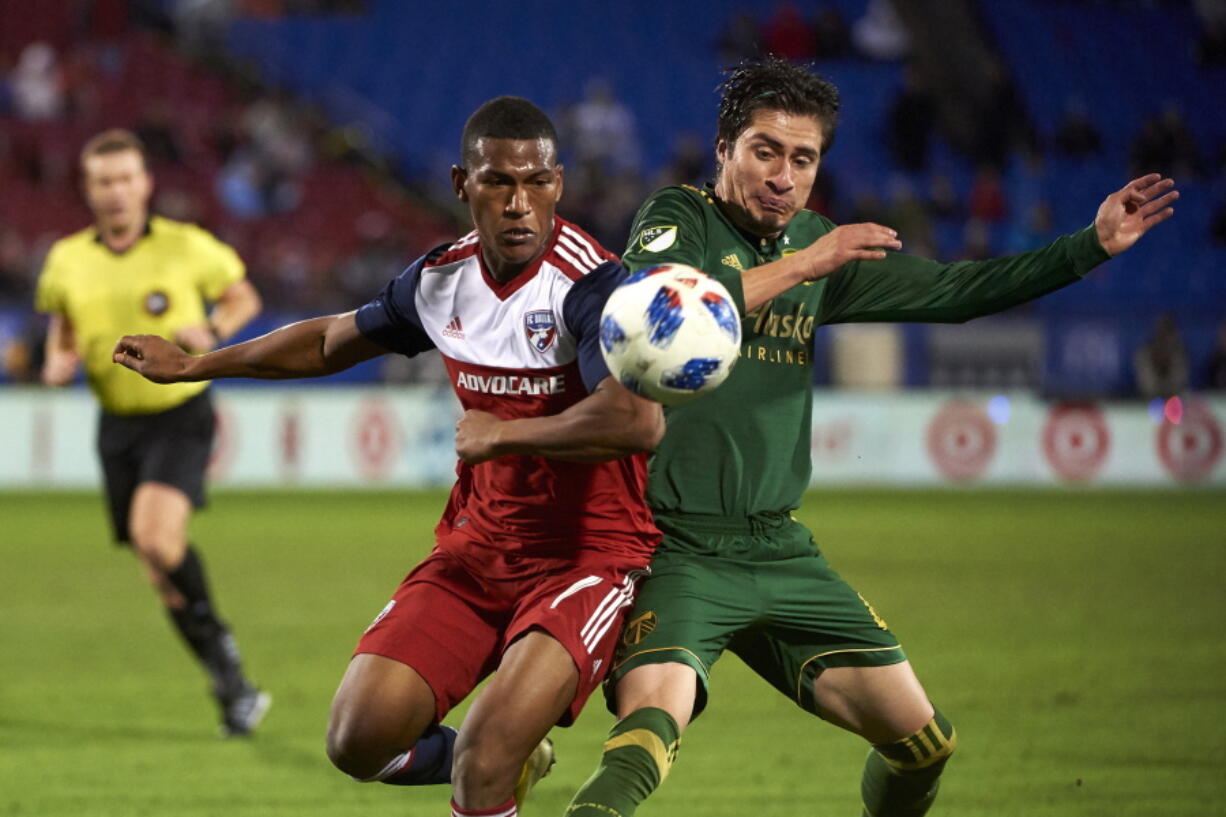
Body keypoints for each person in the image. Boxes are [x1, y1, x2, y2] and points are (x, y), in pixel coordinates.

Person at [566, 56, 1178, 817]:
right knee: (651, 728)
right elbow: (664, 305)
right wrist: (807, 263)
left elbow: (957, 293)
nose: (783, 176)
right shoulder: (680, 218)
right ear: (724, 149)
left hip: (780, 548)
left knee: (925, 743)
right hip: (677, 545)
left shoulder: (819, 244)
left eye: (803, 159)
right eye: (764, 150)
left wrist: (1087, 245)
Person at [112, 96, 664, 817]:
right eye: (498, 182)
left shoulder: (593, 285)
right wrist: (195, 365)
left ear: (559, 183)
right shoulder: (441, 280)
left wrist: (507, 433)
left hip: (587, 555)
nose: (519, 203)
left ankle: (498, 764)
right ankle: (515, 759)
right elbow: (328, 340)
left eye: (536, 182)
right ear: (462, 184)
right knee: (357, 738)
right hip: (480, 549)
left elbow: (634, 417)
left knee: (483, 757)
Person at [34, 128, 266, 735]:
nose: (116, 192)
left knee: (156, 538)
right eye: (103, 181)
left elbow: (244, 297)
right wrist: (58, 357)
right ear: (88, 189)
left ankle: (229, 663)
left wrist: (213, 329)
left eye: (126, 179)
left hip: (180, 414)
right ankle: (232, 681)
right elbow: (62, 321)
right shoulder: (66, 259)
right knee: (157, 569)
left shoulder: (185, 247)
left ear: (146, 184)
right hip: (117, 425)